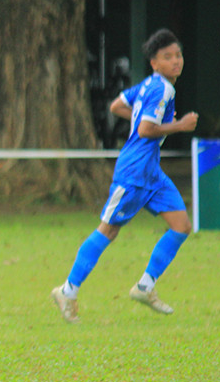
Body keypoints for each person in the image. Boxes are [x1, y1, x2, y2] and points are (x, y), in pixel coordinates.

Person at [51, 28, 198, 323]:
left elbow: (117, 106)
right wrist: (179, 125)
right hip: (133, 172)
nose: (175, 61)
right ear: (154, 63)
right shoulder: (162, 89)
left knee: (181, 225)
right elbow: (145, 129)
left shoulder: (148, 85)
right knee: (108, 230)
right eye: (167, 57)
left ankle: (145, 287)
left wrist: (143, 117)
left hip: (151, 172)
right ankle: (67, 290)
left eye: (178, 55)